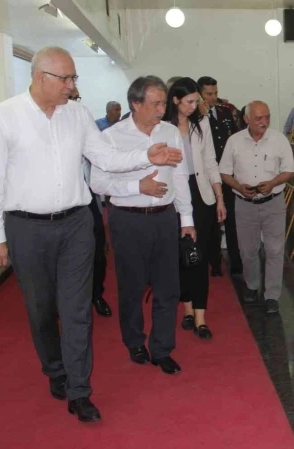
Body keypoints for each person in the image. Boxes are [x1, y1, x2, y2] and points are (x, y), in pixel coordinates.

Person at [0, 47, 182, 422]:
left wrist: (145, 158)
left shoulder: (78, 115)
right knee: (42, 312)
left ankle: (79, 389)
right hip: (25, 227)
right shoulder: (5, 116)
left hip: (75, 224)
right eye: (67, 79)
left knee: (76, 311)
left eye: (74, 79)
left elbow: (104, 157)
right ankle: (55, 370)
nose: (73, 87)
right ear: (41, 77)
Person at [91, 75, 194, 375]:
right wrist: (138, 186)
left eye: (164, 102)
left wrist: (186, 219)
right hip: (128, 220)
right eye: (155, 103)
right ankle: (134, 341)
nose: (162, 109)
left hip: (164, 218)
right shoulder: (112, 136)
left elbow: (180, 177)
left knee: (168, 288)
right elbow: (97, 182)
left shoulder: (172, 132)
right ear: (135, 104)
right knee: (132, 288)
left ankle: (162, 348)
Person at [219, 101, 294, 315]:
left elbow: (290, 170)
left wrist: (272, 183)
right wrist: (239, 187)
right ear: (246, 120)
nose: (264, 122)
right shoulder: (234, 141)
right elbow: (224, 172)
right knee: (248, 251)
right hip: (244, 205)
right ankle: (252, 286)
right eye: (258, 118)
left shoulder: (279, 140)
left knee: (274, 250)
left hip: (273, 203)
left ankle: (272, 295)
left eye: (267, 117)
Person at [165, 77, 227, 339]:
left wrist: (220, 197)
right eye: (189, 101)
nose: (194, 106)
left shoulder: (201, 124)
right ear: (175, 100)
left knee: (199, 256)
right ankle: (187, 309)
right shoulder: (162, 127)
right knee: (181, 256)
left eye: (197, 101)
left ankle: (200, 316)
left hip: (201, 194)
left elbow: (211, 161)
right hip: (172, 198)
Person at [67, 88, 112, 318]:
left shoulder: (86, 126)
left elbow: (103, 159)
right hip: (64, 203)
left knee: (97, 252)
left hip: (89, 198)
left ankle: (96, 294)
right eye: (70, 98)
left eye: (76, 98)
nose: (74, 102)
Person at [197, 76, 242, 279]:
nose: (214, 97)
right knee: (211, 221)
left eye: (215, 93)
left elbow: (235, 138)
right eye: (209, 94)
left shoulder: (225, 112)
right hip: (206, 176)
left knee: (231, 218)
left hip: (227, 173)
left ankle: (236, 261)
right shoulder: (195, 116)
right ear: (199, 94)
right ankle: (214, 261)